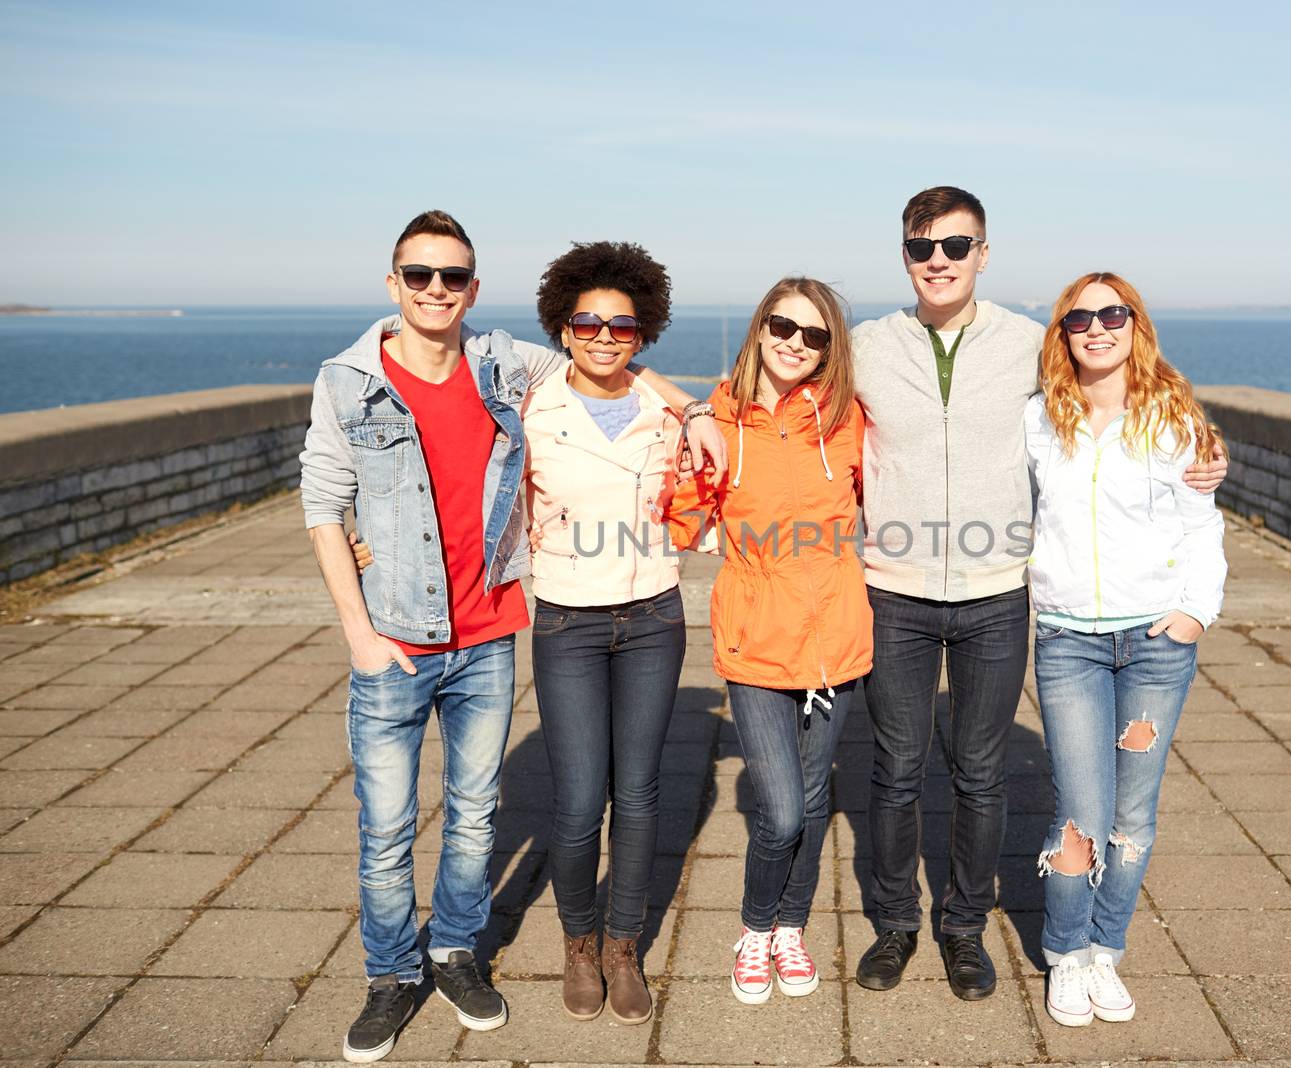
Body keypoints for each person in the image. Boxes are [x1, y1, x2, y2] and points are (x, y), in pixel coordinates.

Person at [306, 214, 720, 1062]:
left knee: (480, 816)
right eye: (418, 275)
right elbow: (323, 503)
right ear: (394, 284)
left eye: (451, 276)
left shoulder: (503, 365)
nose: (434, 290)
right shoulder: (359, 380)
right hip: (414, 634)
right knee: (390, 826)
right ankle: (394, 979)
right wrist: (357, 630)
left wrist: (695, 404)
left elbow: (629, 375)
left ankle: (484, 954)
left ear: (473, 288)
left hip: (501, 629)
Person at [849, 187, 1229, 1001]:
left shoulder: (1033, 344)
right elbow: (783, 391)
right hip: (894, 592)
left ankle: (963, 929)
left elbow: (1125, 389)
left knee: (982, 775)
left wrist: (1202, 444)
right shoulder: (866, 346)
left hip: (995, 596)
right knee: (894, 768)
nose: (939, 261)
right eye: (923, 248)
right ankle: (894, 926)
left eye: (957, 246)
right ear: (905, 256)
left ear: (984, 254)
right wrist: (698, 412)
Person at [1025, 271, 1226, 1027]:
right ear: (1063, 333)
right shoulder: (1038, 421)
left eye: (1114, 314)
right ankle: (1065, 953)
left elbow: (1201, 526)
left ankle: (1106, 948)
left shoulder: (1175, 420)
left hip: (1155, 644)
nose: (1097, 327)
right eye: (1081, 318)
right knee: (1079, 813)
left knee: (1134, 816)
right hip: (1070, 642)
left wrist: (1194, 614)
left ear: (1137, 325)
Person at [666, 278, 869, 1005]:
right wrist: (688, 444)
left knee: (813, 802)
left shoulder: (847, 420)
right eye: (784, 326)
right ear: (760, 328)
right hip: (755, 641)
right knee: (781, 808)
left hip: (837, 641)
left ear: (829, 350)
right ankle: (755, 927)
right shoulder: (720, 415)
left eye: (814, 335)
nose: (795, 343)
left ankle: (792, 926)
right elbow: (683, 522)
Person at [523, 241, 704, 1027]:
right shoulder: (530, 408)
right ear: (563, 328)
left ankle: (623, 947)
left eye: (622, 326)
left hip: (654, 616)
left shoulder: (670, 411)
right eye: (587, 321)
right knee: (573, 799)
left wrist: (695, 407)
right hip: (565, 618)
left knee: (638, 793)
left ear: (643, 332)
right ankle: (577, 941)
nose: (604, 336)